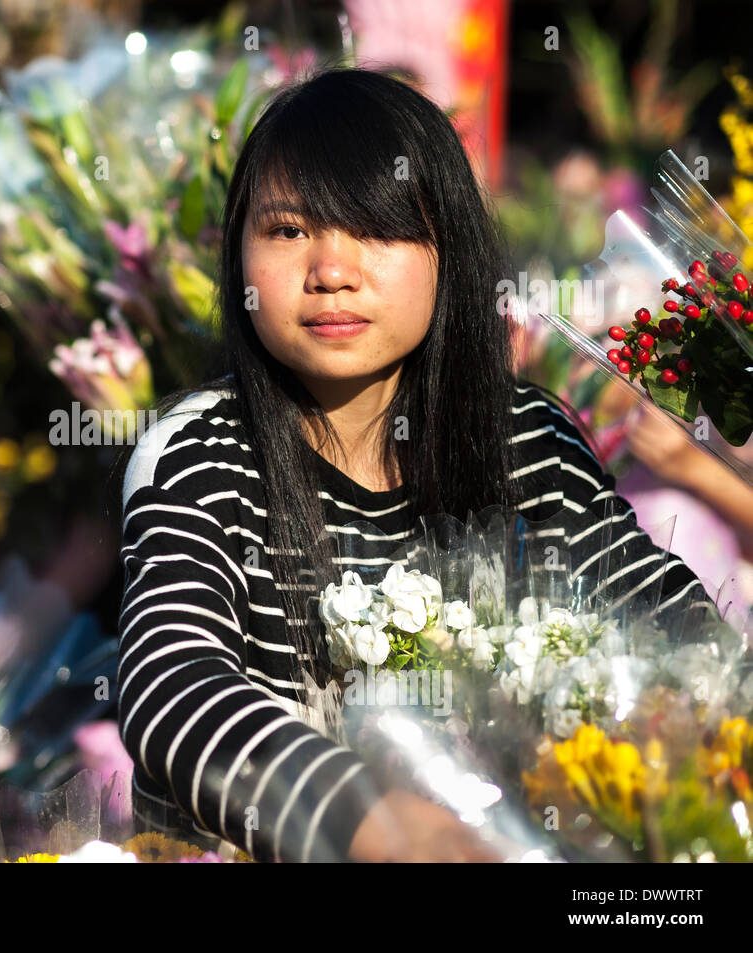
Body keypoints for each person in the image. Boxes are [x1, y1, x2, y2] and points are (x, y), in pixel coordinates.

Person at [113, 68, 710, 863]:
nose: (331, 270)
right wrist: (358, 817)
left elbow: (672, 626)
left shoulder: (526, 440)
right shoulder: (199, 452)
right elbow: (172, 684)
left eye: (378, 229)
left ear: (447, 250)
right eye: (289, 231)